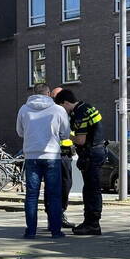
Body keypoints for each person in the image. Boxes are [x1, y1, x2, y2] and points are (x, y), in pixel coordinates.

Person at [16, 83, 72, 239]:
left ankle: (30, 231)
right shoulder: (58, 109)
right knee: (54, 194)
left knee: (31, 195)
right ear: (48, 93)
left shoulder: (24, 109)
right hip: (52, 155)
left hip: (31, 156)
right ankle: (55, 231)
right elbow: (65, 134)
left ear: (34, 93)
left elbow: (20, 132)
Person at [54, 88, 106, 235]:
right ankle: (91, 222)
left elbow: (81, 140)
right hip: (98, 150)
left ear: (65, 102)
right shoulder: (87, 107)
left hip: (91, 153)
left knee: (91, 190)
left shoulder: (79, 114)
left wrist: (65, 135)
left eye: (61, 107)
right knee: (92, 189)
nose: (62, 111)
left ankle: (92, 224)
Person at [49, 86, 76, 229]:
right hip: (53, 154)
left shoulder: (70, 112)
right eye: (54, 98)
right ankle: (54, 216)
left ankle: (60, 212)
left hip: (65, 154)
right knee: (53, 186)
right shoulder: (53, 112)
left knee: (66, 183)